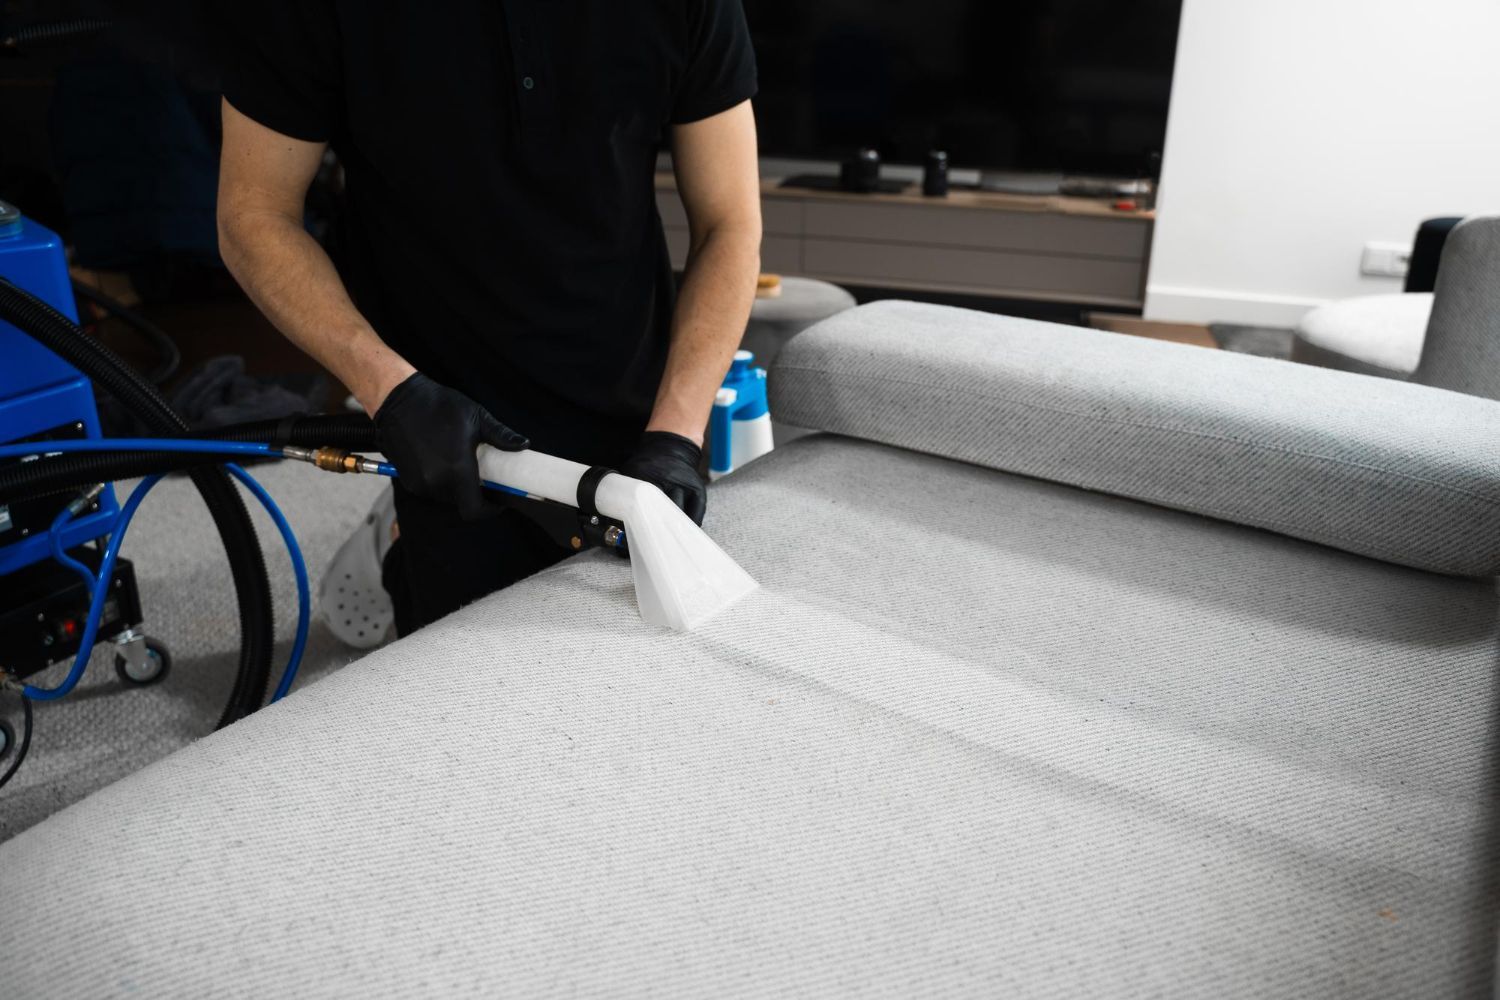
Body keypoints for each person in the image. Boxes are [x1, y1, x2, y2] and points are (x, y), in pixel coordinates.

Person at [216, 1, 762, 635]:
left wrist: (676, 435)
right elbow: (254, 214)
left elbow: (728, 223)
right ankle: (396, 542)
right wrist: (387, 388)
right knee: (473, 667)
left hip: (633, 400)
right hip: (443, 423)